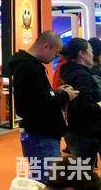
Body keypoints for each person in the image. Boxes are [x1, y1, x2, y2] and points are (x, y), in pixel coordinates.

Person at [7, 31, 79, 183]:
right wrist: (64, 97)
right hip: (41, 135)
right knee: (46, 181)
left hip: (42, 134)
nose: (55, 58)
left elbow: (37, 97)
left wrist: (55, 93)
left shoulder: (30, 66)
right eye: (55, 53)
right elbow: (37, 105)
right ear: (46, 46)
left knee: (43, 178)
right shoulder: (28, 68)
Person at [59, 38, 101, 166]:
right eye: (90, 51)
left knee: (82, 170)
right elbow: (84, 106)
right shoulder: (81, 76)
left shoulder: (71, 72)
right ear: (82, 54)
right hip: (85, 131)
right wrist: (99, 105)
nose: (93, 54)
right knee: (83, 171)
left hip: (78, 129)